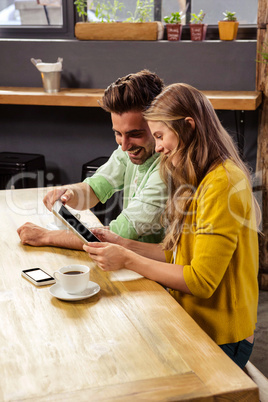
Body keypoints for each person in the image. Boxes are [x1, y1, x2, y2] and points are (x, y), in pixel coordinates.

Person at [83, 83, 261, 370]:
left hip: (223, 337)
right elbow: (179, 255)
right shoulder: (196, 175)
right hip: (191, 319)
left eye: (160, 135)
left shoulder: (223, 182)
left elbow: (200, 281)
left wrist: (128, 259)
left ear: (188, 127)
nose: (159, 147)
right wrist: (123, 243)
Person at [17, 70, 167, 249]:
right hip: (126, 261)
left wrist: (47, 237)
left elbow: (117, 235)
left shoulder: (168, 169)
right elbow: (95, 189)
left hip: (155, 272)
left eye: (135, 134)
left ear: (160, 124)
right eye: (118, 133)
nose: (124, 146)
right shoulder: (128, 150)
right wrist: (69, 192)